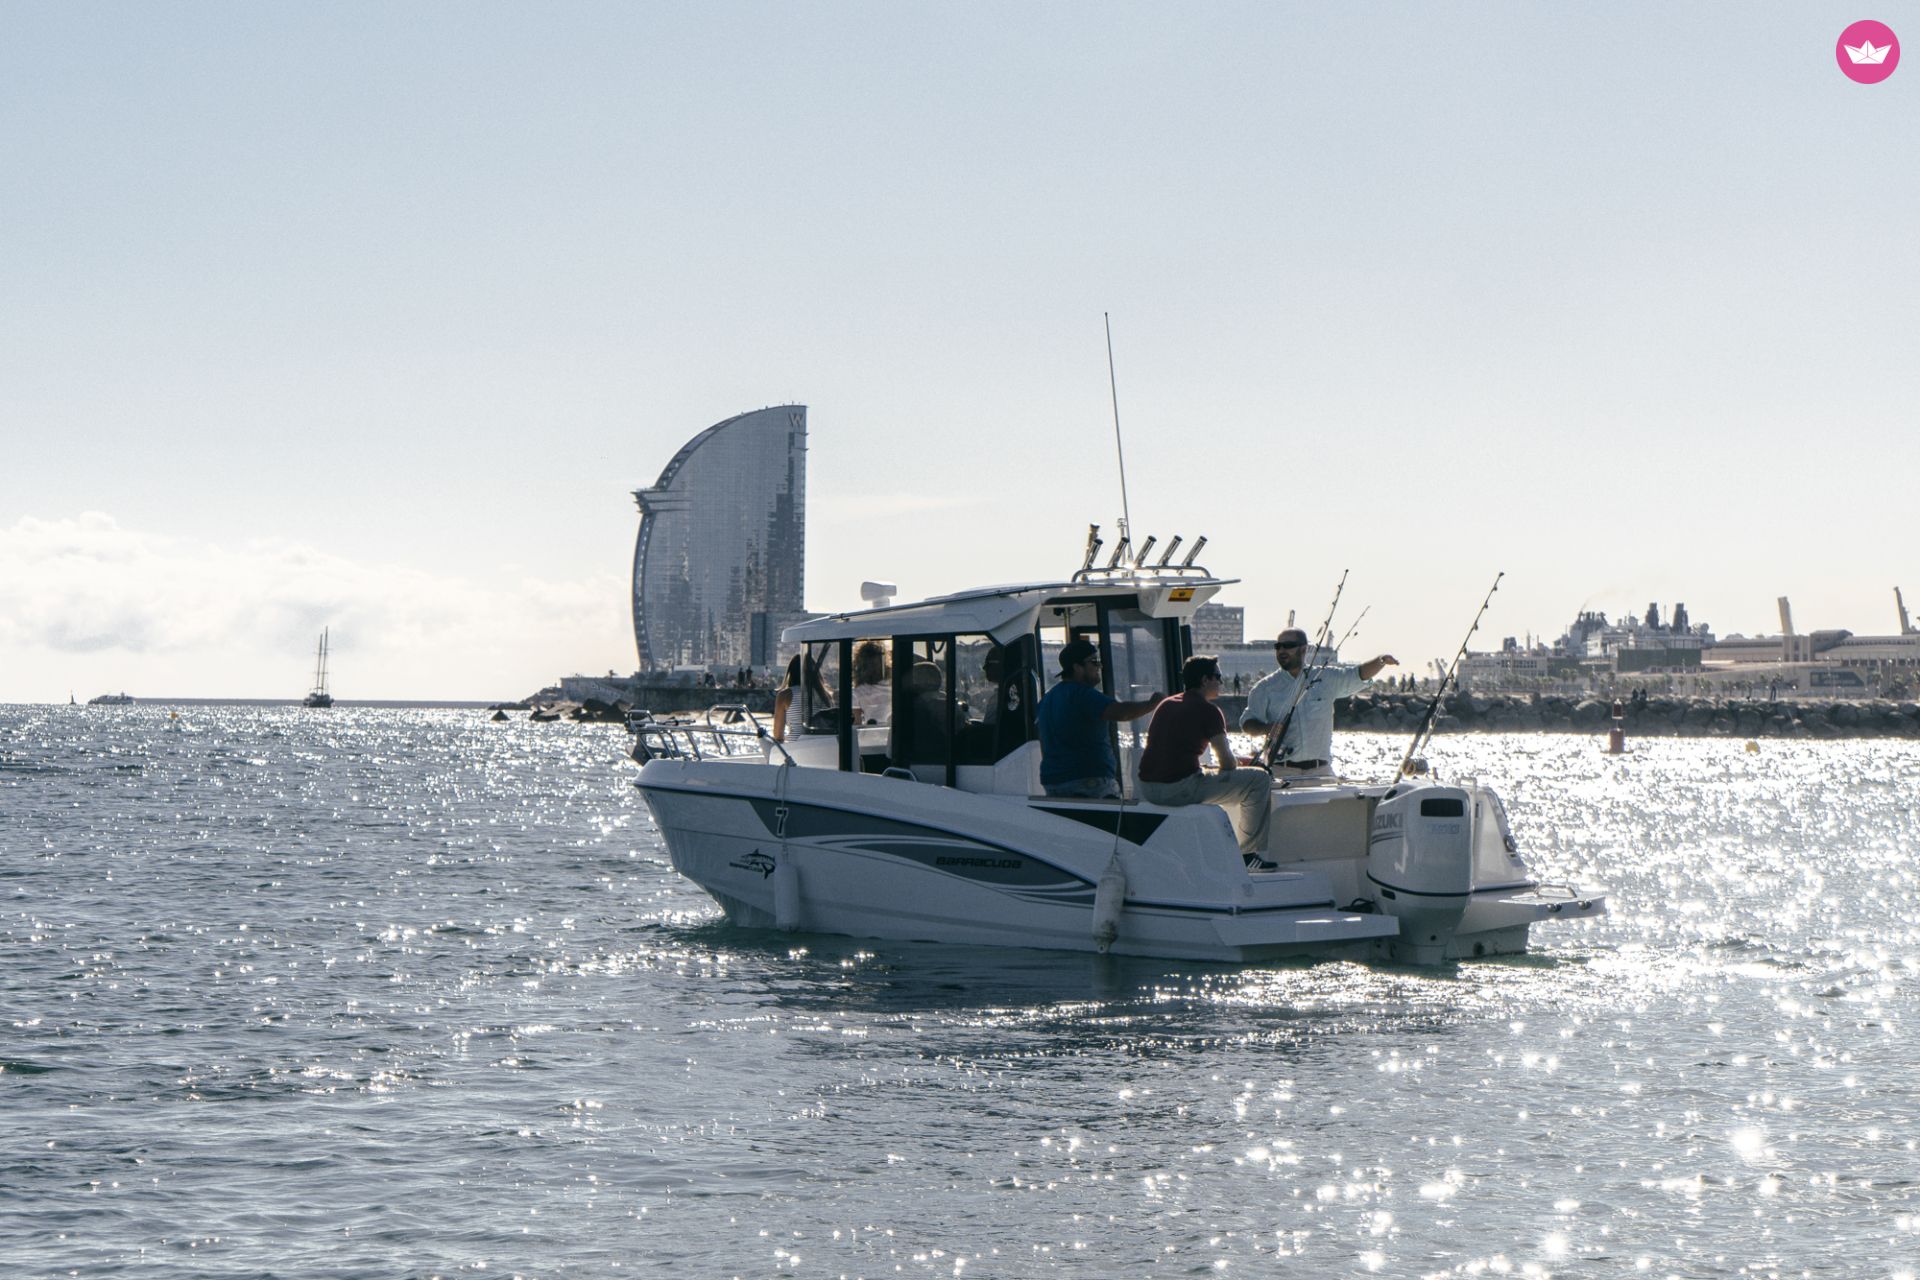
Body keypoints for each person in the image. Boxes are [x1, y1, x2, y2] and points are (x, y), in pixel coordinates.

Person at [1138, 656, 1274, 867]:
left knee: (1208, 773)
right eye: (1217, 677)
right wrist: (1245, 764)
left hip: (1147, 788)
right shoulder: (1209, 711)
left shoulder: (1166, 704)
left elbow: (1171, 754)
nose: (1221, 682)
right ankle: (1247, 855)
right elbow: (1227, 764)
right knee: (1259, 780)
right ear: (1204, 680)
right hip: (1177, 790)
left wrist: (1211, 767)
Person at [1241, 627, 1397, 776]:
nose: (1282, 651)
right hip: (1281, 771)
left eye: (1288, 646)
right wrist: (1268, 728)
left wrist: (1381, 660)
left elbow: (1358, 674)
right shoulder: (1264, 688)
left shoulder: (1325, 677)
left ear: (1304, 649)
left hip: (1321, 771)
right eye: (1278, 646)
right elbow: (1248, 724)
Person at [1036, 638, 1164, 798]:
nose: (1100, 666)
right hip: (1089, 782)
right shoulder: (1082, 694)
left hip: (1054, 783)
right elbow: (1120, 712)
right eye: (1094, 662)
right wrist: (1154, 704)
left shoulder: (1047, 699)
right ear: (1077, 667)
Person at [771, 653, 831, 742]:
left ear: (791, 672)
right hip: (821, 747)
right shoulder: (825, 694)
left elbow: (778, 735)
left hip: (796, 750)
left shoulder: (785, 695)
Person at [852, 640, 890, 726]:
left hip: (868, 736)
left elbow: (856, 722)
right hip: (892, 735)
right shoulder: (894, 685)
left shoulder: (857, 692)